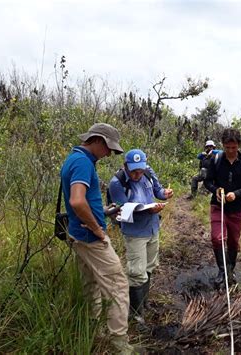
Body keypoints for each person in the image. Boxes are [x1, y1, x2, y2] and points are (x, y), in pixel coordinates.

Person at [60, 123, 136, 353]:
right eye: (108, 149)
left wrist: (102, 210)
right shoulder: (83, 163)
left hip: (76, 233)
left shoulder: (74, 158)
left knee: (91, 283)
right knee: (118, 285)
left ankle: (93, 327)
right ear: (98, 141)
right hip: (90, 238)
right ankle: (119, 341)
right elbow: (76, 201)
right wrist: (98, 230)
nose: (108, 154)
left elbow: (81, 201)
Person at [108, 149, 173, 325]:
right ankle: (136, 315)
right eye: (134, 171)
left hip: (152, 228)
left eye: (140, 170)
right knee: (137, 272)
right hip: (135, 233)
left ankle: (144, 303)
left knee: (150, 266)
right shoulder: (116, 183)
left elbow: (158, 191)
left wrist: (164, 194)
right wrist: (147, 209)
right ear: (125, 166)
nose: (137, 174)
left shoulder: (148, 172)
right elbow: (122, 210)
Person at [204, 128, 241, 286]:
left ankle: (230, 269)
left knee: (233, 242)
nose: (230, 151)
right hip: (218, 206)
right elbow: (208, 182)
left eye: (233, 147)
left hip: (237, 209)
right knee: (217, 238)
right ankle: (222, 270)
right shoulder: (216, 159)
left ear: (239, 145)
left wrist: (236, 194)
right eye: (227, 147)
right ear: (223, 145)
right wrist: (217, 190)